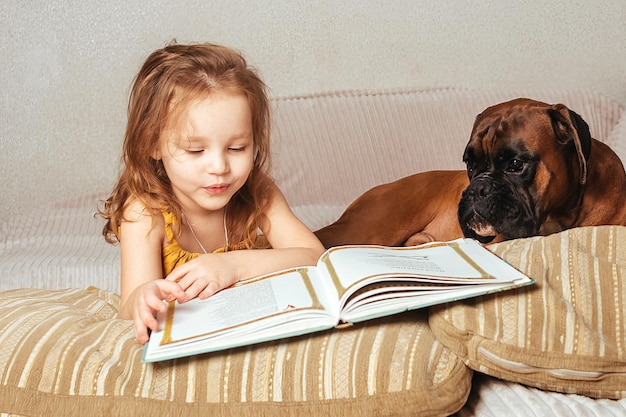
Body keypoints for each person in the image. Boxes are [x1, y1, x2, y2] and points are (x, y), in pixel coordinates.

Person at [99, 42, 325, 344]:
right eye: (195, 150)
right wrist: (144, 296)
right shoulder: (145, 212)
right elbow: (130, 305)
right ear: (152, 144)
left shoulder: (257, 192)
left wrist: (232, 266)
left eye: (237, 148)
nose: (219, 167)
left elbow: (315, 256)